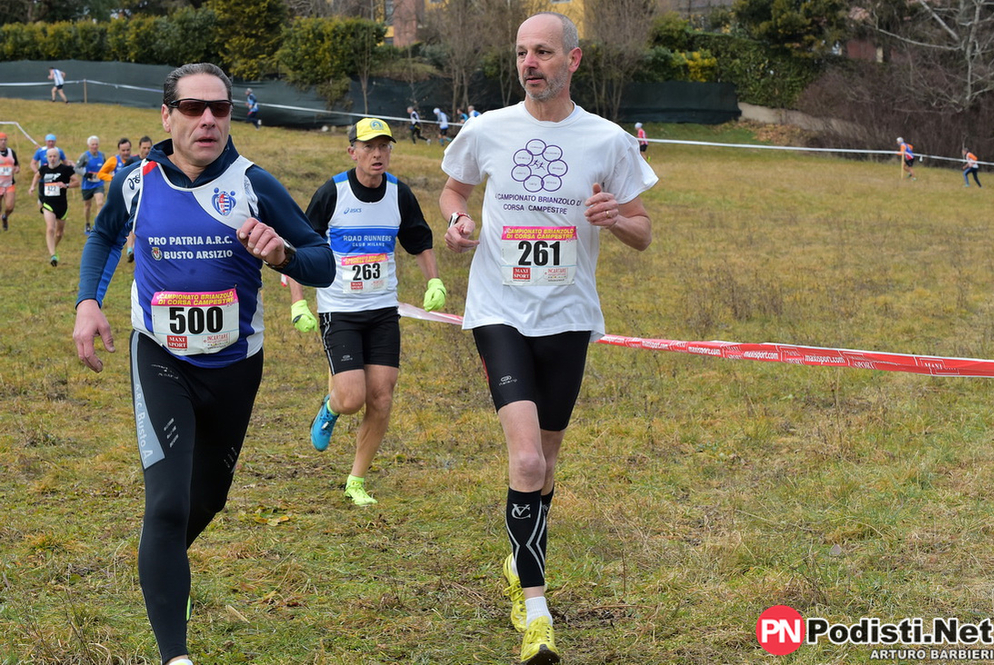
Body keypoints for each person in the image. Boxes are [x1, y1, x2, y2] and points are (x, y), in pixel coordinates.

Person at [72, 62, 337, 665]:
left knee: (207, 499)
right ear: (167, 116)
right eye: (192, 108)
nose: (208, 119)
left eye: (219, 108)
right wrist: (88, 301)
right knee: (165, 502)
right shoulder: (137, 181)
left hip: (236, 365)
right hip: (160, 355)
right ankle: (176, 654)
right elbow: (105, 236)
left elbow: (323, 263)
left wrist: (284, 254)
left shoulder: (253, 184)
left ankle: (159, 562)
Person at [439, 12, 656, 665]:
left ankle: (519, 557)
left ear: (573, 61)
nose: (530, 62)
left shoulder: (609, 141)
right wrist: (457, 222)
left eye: (543, 52)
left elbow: (643, 230)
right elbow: (452, 189)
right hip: (499, 310)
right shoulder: (486, 131)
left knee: (547, 465)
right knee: (527, 462)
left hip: (568, 317)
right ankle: (535, 611)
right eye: (521, 53)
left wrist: (615, 216)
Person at [286, 117, 446, 506]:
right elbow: (298, 250)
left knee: (382, 396)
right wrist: (298, 303)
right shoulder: (333, 193)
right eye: (369, 147)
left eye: (384, 147)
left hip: (382, 310)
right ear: (352, 151)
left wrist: (434, 281)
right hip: (339, 310)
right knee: (351, 398)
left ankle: (356, 480)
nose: (377, 154)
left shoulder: (399, 193)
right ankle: (330, 407)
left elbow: (419, 240)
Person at [29, 147, 79, 266]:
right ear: (47, 158)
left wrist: (66, 185)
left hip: (62, 205)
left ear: (59, 157)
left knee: (59, 233)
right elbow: (37, 175)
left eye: (54, 156)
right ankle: (52, 255)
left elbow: (77, 183)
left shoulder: (66, 169)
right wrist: (32, 187)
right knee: (50, 228)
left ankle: (53, 249)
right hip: (48, 203)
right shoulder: (44, 169)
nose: (52, 158)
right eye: (50, 156)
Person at [76, 136, 106, 234]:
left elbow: (106, 167)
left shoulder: (102, 155)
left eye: (96, 144)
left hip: (98, 184)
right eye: (93, 144)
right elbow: (76, 168)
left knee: (100, 203)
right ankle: (87, 224)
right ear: (89, 145)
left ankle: (97, 226)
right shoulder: (85, 156)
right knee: (87, 206)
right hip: (87, 185)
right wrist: (85, 174)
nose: (95, 146)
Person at [0, 132, 21, 231]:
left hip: (9, 184)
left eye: (4, 140)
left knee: (10, 207)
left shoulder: (11, 152)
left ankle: (5, 217)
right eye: (1, 140)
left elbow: (17, 165)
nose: (3, 142)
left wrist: (17, 169)